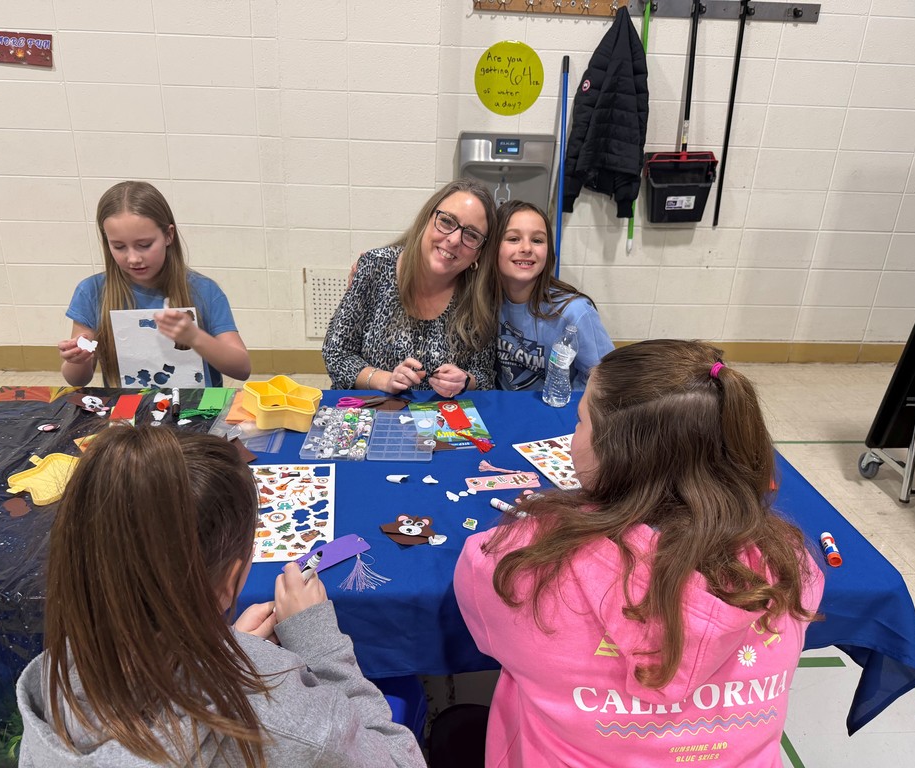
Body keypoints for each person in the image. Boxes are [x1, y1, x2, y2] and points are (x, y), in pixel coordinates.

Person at [454, 340, 825, 767]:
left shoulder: (517, 566)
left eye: (580, 422)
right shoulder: (791, 564)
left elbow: (486, 627)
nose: (574, 436)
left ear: (615, 452)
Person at [16, 426, 425, 767]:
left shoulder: (52, 679)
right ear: (231, 579)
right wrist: (319, 644)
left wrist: (232, 647)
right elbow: (401, 758)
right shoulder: (290, 723)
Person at [58, 181, 251, 388]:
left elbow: (241, 368)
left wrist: (196, 338)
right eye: (119, 246)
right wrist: (77, 359)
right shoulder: (91, 292)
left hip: (196, 410)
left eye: (144, 245)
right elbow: (76, 379)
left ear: (169, 235)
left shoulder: (204, 291)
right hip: (130, 411)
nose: (133, 258)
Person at [322, 180, 497, 398]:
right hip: (372, 412)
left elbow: (485, 376)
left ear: (479, 253)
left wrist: (464, 381)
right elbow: (337, 353)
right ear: (427, 219)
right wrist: (385, 380)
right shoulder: (375, 267)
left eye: (471, 235)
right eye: (446, 221)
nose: (453, 239)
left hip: (439, 422)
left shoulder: (478, 297)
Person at [483, 200, 614, 391]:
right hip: (505, 410)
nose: (526, 248)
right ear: (493, 248)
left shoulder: (575, 313)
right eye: (513, 239)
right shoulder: (485, 301)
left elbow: (605, 379)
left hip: (561, 412)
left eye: (537, 240)